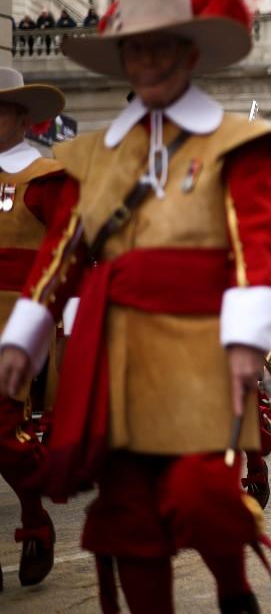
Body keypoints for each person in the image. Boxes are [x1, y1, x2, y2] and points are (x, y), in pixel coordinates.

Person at [0, 0, 271, 613]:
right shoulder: (93, 155)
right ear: (123, 60)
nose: (149, 60)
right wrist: (25, 332)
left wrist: (249, 339)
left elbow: (259, 246)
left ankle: (233, 586)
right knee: (128, 508)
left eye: (163, 48)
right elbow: (64, 250)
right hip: (114, 345)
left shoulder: (237, 145)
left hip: (203, 343)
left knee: (197, 488)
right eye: (136, 49)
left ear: (190, 55)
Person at [0, 66, 68, 592]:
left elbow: (68, 251)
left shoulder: (44, 177)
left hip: (19, 327)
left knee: (6, 437)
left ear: (22, 118)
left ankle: (35, 516)